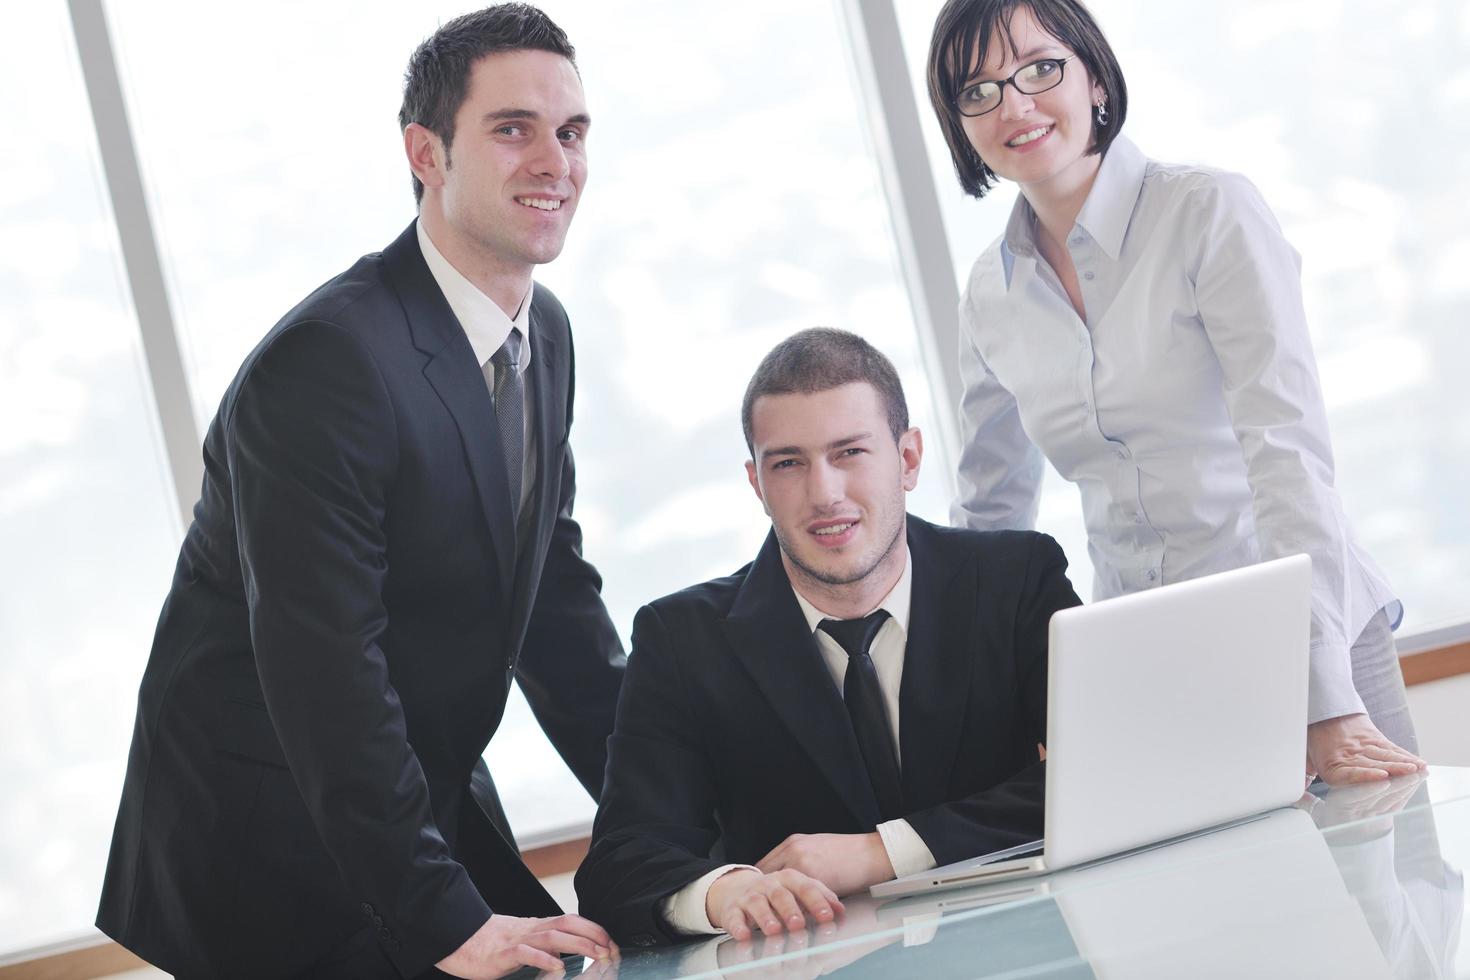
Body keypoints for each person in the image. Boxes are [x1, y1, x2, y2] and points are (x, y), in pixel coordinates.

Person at [96, 6, 624, 978]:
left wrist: (668, 820)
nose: (554, 160)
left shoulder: (543, 335)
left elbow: (556, 605)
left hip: (410, 786)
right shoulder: (328, 366)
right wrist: (448, 923)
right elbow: (325, 667)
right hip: (269, 829)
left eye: (572, 130)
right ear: (427, 152)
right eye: (513, 129)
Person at [924, 0, 1425, 785]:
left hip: (1302, 625)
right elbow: (990, 521)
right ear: (960, 124)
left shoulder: (1207, 211)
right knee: (1216, 906)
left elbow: (1285, 452)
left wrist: (1322, 696)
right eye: (978, 90)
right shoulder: (991, 291)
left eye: (1039, 69)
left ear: (1093, 76)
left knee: (1387, 899)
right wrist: (985, 713)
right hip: (1151, 662)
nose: (1013, 104)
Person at [575, 328, 1081, 947]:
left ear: (910, 459)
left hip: (1020, 950)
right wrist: (723, 889)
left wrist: (882, 852)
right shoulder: (682, 639)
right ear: (757, 483)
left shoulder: (1016, 579)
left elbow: (1105, 766)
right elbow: (619, 862)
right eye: (788, 463)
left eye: (850, 453)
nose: (824, 494)